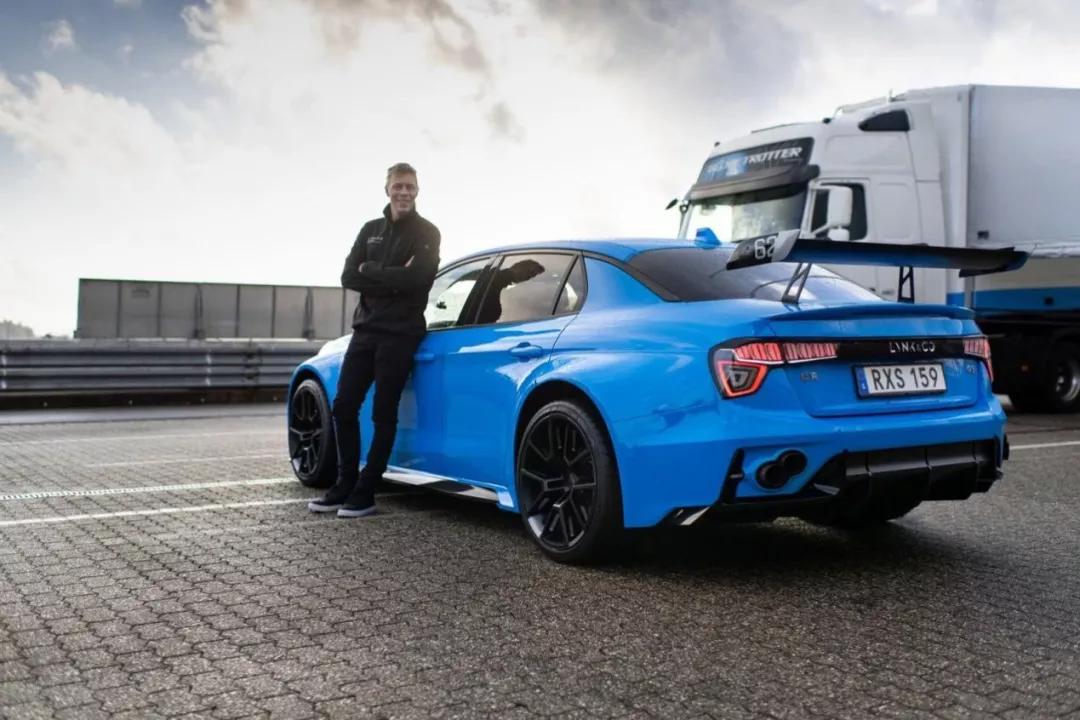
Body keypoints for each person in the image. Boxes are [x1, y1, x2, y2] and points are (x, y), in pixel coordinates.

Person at [308, 162, 440, 518]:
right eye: (398, 186)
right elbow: (349, 276)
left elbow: (419, 280)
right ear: (387, 189)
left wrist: (373, 270)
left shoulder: (428, 232)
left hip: (400, 334)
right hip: (365, 331)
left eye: (410, 186)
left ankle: (366, 491)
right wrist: (393, 277)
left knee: (384, 412)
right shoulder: (370, 230)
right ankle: (344, 484)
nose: (404, 192)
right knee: (343, 406)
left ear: (417, 190)